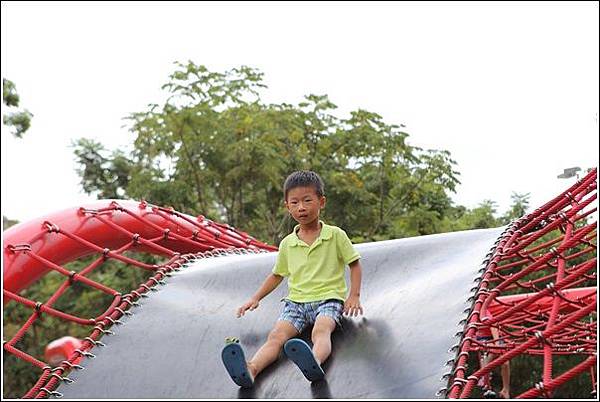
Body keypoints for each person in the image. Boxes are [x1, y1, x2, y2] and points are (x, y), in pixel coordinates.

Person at [221, 170, 364, 388]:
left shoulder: (335, 235)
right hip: (296, 303)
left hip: (328, 299)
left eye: (307, 200)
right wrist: (256, 297)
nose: (301, 207)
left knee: (321, 329)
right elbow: (277, 274)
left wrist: (353, 295)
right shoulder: (288, 243)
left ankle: (314, 361)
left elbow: (354, 264)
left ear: (321, 202)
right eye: (295, 202)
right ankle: (251, 369)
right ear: (287, 206)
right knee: (276, 336)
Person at [476, 308, 511, 399]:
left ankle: (506, 389)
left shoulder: (484, 310)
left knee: (505, 363)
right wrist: (497, 344)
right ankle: (485, 378)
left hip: (495, 337)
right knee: (492, 351)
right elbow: (492, 324)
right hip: (483, 338)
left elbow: (493, 325)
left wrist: (497, 343)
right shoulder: (479, 311)